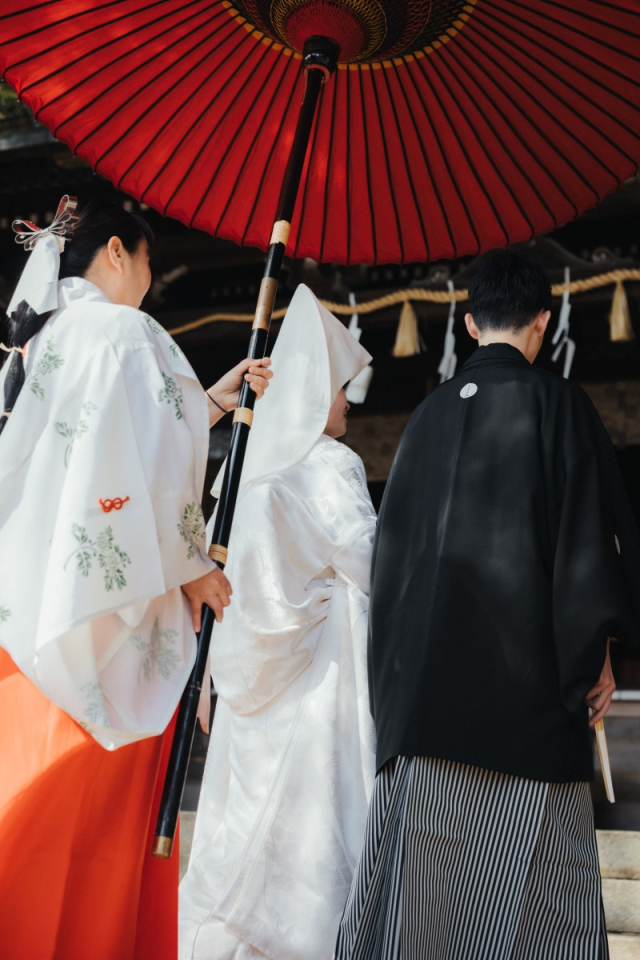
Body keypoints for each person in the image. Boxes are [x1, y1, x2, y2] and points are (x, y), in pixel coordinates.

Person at [335, 249, 640, 960]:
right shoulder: (560, 406)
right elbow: (590, 544)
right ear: (542, 322)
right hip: (528, 701)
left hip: (423, 713)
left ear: (470, 325)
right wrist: (597, 655)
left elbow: (394, 565)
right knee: (540, 907)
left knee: (427, 909)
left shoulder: (424, 420)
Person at [0, 195, 271, 960]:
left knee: (23, 806)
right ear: (116, 252)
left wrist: (213, 398)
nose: (149, 280)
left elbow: (110, 447)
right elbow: (148, 464)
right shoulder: (125, 331)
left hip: (28, 620)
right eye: (149, 261)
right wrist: (193, 569)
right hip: (104, 627)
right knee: (88, 828)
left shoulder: (37, 344)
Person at [180, 284, 377, 960]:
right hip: (317, 686)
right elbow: (373, 565)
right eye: (340, 389)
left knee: (241, 823)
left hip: (246, 690)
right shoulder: (329, 464)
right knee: (314, 833)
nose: (348, 402)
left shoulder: (245, 466)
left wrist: (206, 674)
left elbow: (215, 574)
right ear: (316, 387)